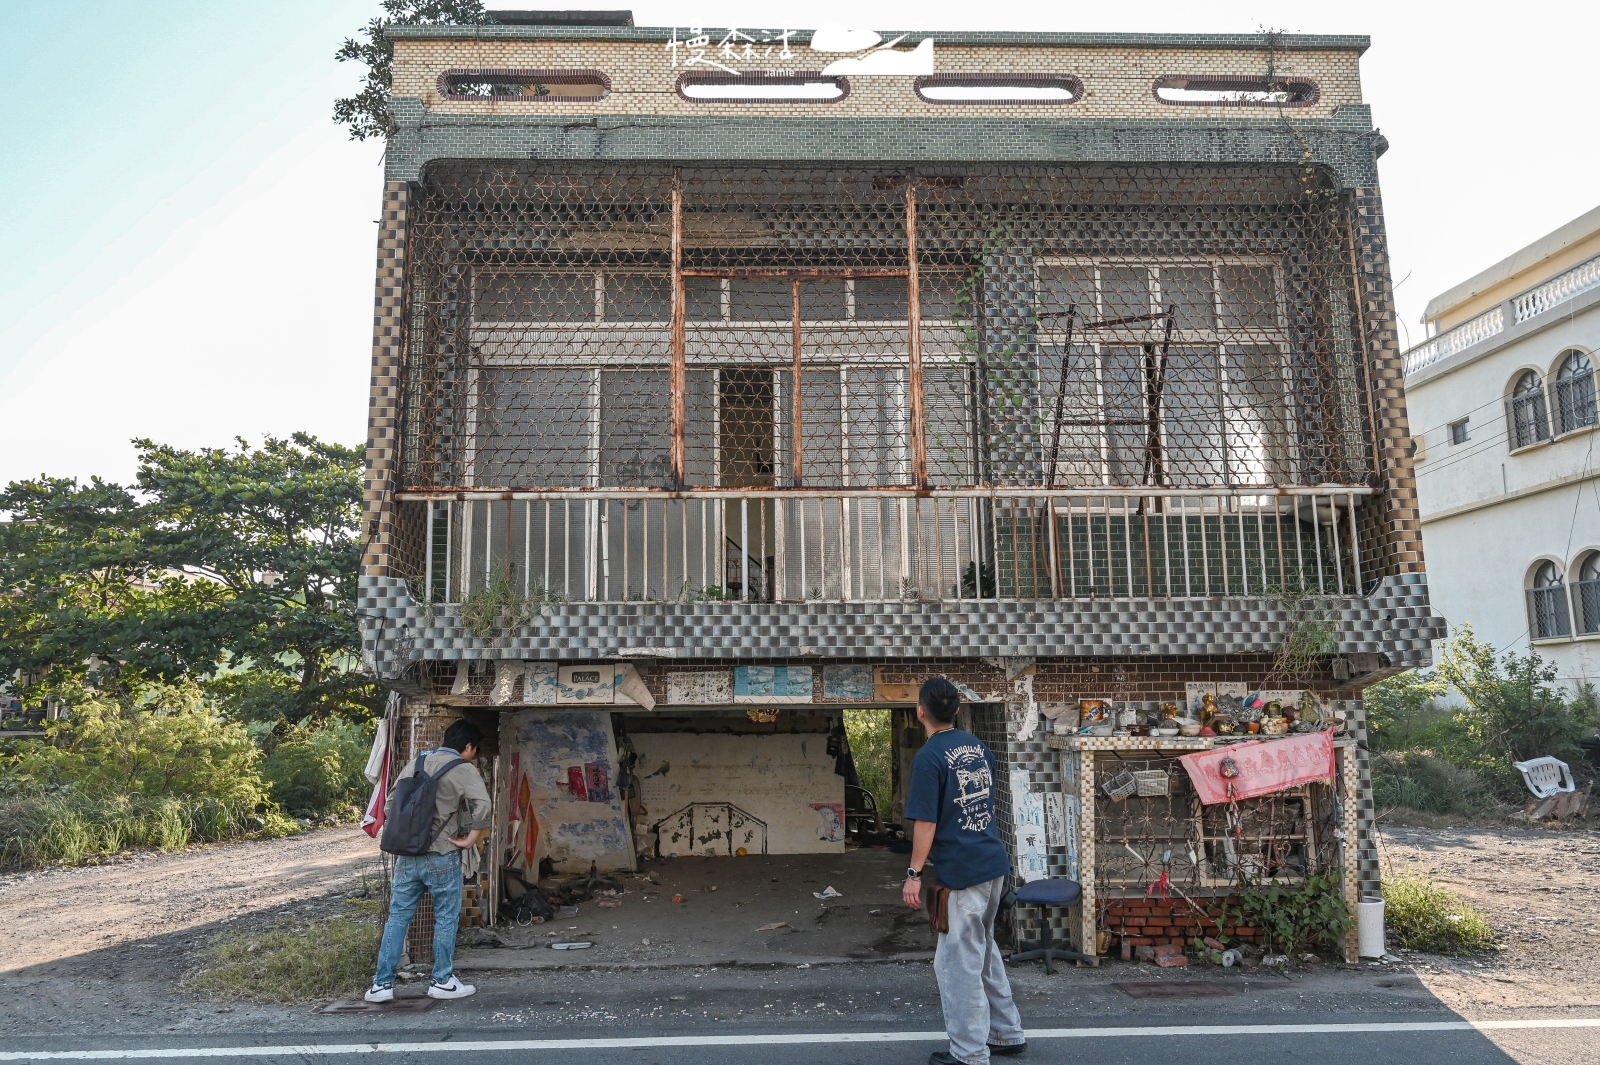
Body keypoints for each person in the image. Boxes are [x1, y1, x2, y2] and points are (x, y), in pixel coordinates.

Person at [902, 678, 1025, 1064]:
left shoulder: (929, 757)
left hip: (964, 870)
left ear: (920, 711)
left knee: (956, 962)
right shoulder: (979, 748)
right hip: (992, 863)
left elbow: (926, 824)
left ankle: (970, 1052)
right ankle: (1006, 1033)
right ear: (957, 710)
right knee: (983, 949)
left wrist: (913, 873)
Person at [366, 719, 492, 1002]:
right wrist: (471, 838)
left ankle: (381, 985)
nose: (474, 754)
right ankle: (442, 981)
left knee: (398, 917)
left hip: (408, 855)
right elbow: (483, 804)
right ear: (468, 746)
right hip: (442, 854)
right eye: (475, 749)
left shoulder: (418, 763)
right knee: (446, 918)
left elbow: (390, 803)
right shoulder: (463, 768)